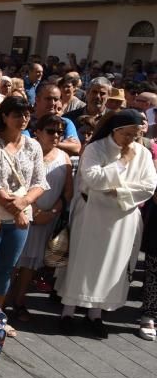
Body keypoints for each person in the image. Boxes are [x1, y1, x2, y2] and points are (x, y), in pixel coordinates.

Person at [57, 109, 157, 338]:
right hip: (92, 215)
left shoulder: (142, 153)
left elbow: (149, 186)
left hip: (122, 219)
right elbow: (93, 178)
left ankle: (96, 314)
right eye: (127, 134)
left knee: (110, 266)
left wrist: (119, 192)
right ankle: (68, 312)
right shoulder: (96, 148)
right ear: (116, 130)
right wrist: (121, 163)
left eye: (135, 134)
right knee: (83, 263)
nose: (131, 139)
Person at [0, 96, 49, 334]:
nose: (23, 118)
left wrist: (24, 204)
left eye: (27, 114)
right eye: (17, 114)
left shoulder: (33, 145)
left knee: (6, 269)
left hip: (21, 218)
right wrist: (18, 210)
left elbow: (39, 182)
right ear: (5, 116)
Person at [11, 114, 73, 324]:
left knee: (31, 264)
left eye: (59, 132)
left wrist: (51, 213)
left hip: (46, 221)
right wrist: (34, 210)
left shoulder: (64, 158)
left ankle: (19, 302)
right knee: (13, 262)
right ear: (37, 131)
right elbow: (17, 184)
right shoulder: (25, 151)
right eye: (50, 130)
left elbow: (67, 192)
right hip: (22, 215)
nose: (55, 135)